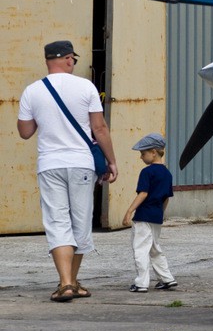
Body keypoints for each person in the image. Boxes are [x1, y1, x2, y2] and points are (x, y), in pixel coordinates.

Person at [17, 40, 118, 302]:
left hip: (50, 165)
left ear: (48, 60)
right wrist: (111, 161)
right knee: (80, 222)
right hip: (82, 164)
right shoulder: (86, 87)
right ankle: (71, 282)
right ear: (69, 59)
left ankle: (65, 284)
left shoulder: (32, 90)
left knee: (57, 222)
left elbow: (25, 132)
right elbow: (100, 129)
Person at [122, 133, 177, 293]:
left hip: (143, 216)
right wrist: (160, 213)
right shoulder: (167, 173)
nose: (141, 157)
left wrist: (129, 211)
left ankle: (141, 283)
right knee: (154, 248)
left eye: (143, 153)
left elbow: (143, 193)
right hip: (156, 216)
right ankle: (167, 279)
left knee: (140, 249)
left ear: (153, 152)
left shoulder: (147, 172)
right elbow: (167, 198)